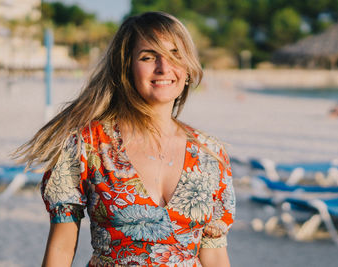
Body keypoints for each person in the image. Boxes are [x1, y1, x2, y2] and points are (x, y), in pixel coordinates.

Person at [13, 12, 235, 267]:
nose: (164, 67)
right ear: (127, 67)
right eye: (148, 57)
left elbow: (215, 254)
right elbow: (61, 249)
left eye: (175, 55)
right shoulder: (87, 145)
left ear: (188, 68)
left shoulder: (209, 153)